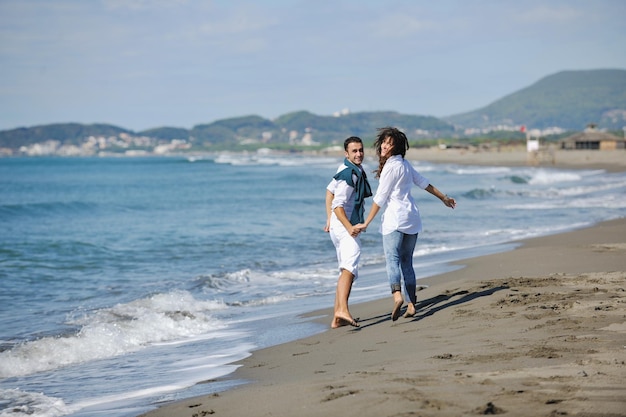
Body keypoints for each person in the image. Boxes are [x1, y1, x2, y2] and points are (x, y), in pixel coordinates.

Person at [358, 127, 456, 321]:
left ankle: (397, 296)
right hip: (412, 218)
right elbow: (424, 183)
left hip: (395, 219)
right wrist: (443, 198)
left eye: (389, 143)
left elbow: (380, 198)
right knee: (407, 262)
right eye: (384, 142)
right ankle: (411, 305)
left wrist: (366, 222)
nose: (385, 146)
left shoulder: (390, 167)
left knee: (392, 259)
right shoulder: (405, 164)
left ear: (397, 147)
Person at [324, 136, 372, 328]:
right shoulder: (349, 174)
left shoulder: (346, 168)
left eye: (360, 150)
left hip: (338, 225)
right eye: (354, 151)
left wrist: (329, 219)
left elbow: (329, 191)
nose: (359, 154)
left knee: (346, 268)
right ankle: (342, 310)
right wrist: (348, 226)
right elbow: (338, 204)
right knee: (350, 267)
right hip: (344, 226)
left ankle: (337, 317)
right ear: (347, 153)